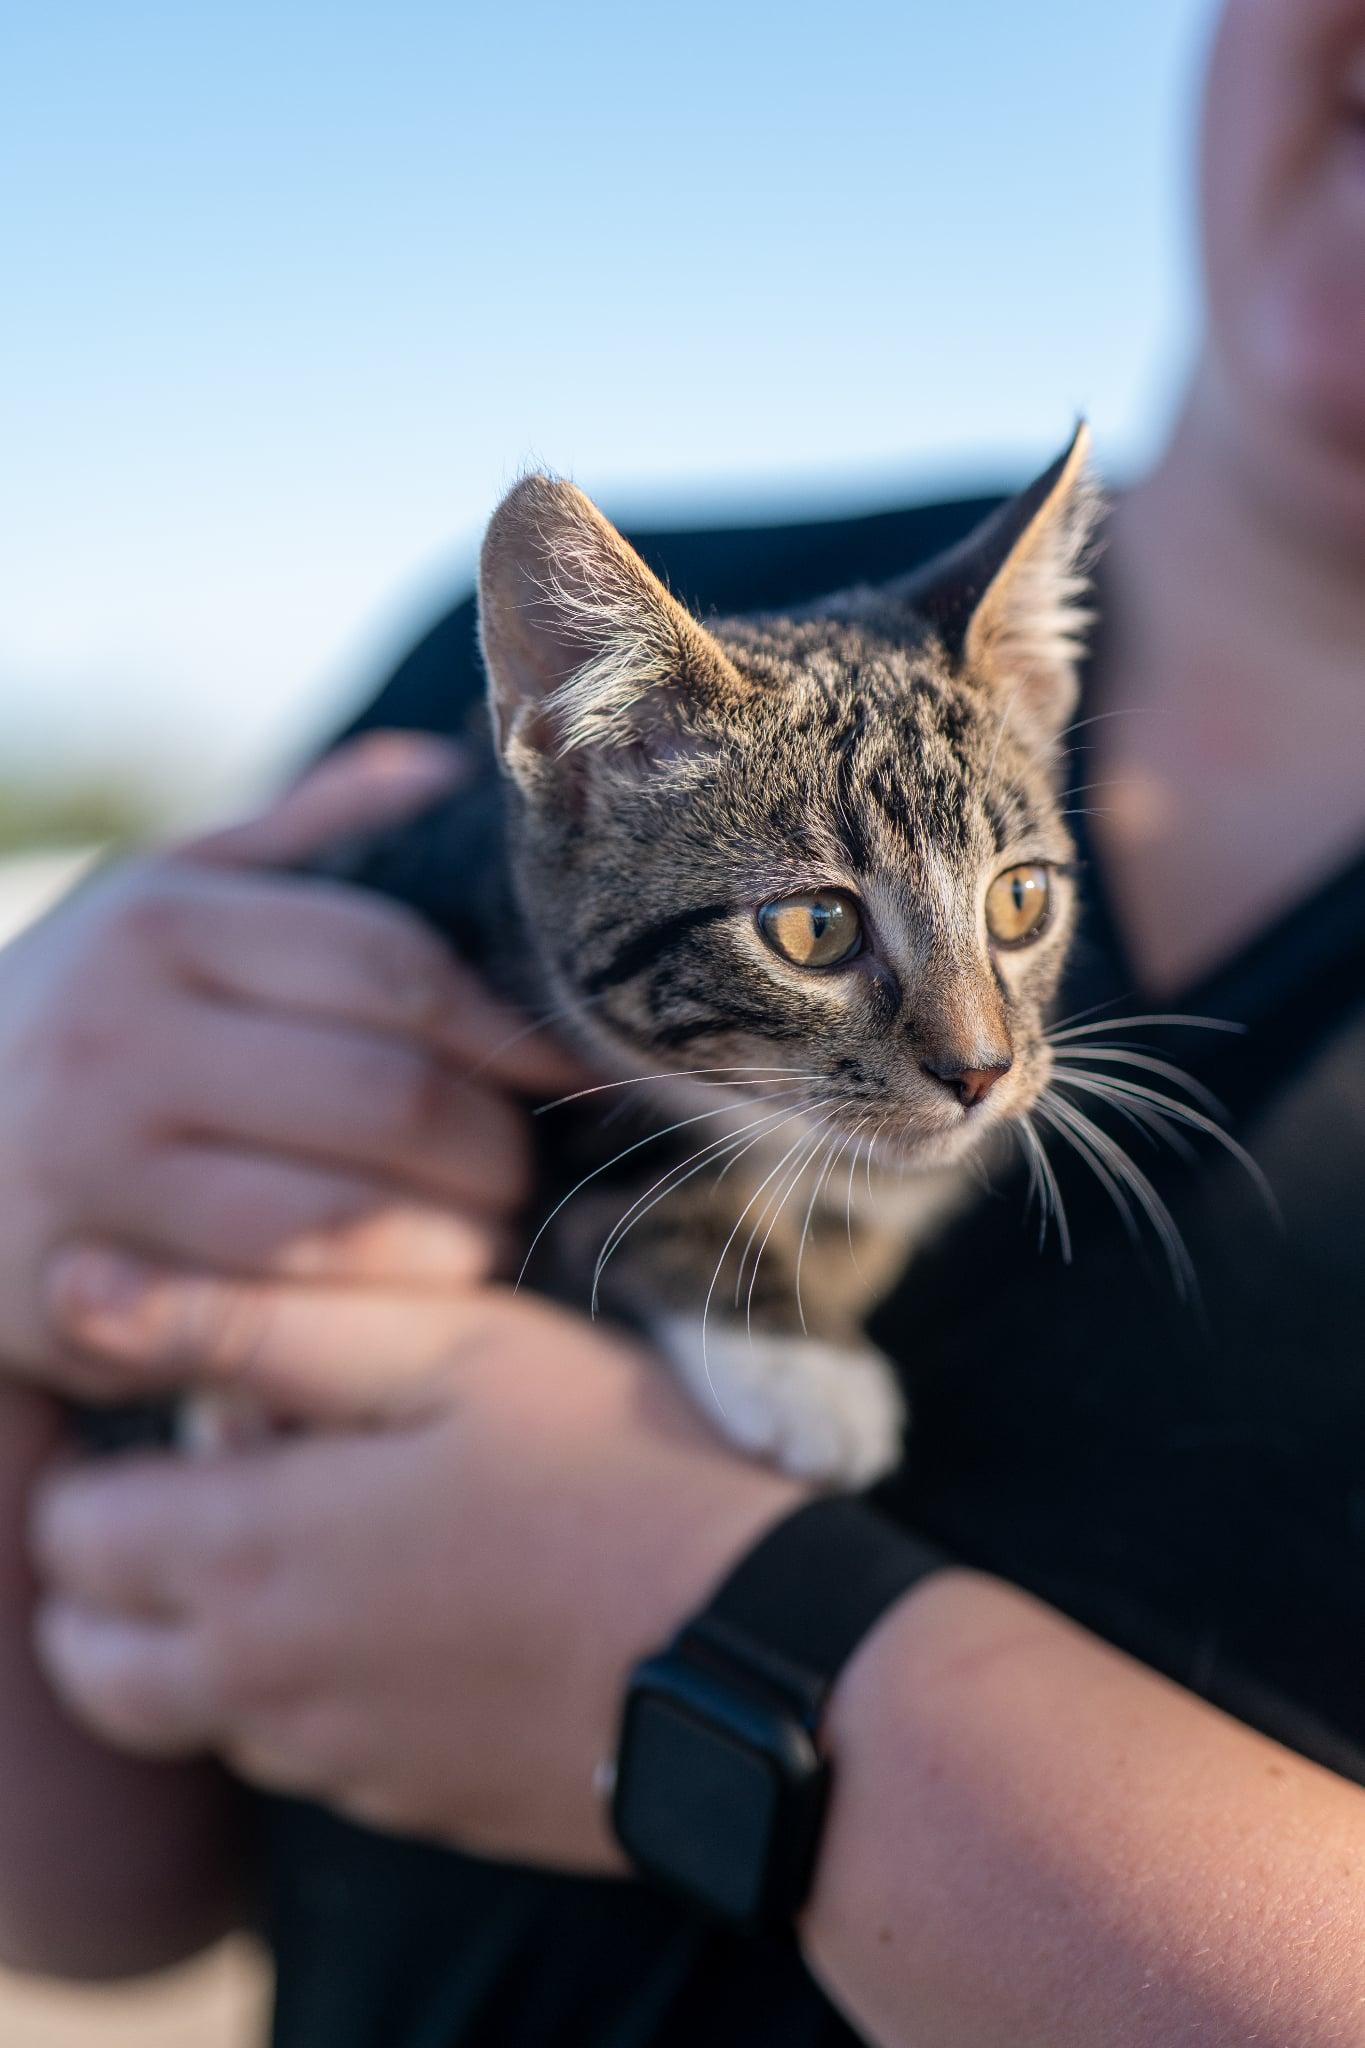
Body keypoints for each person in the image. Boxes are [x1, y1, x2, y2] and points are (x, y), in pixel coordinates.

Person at [3, 0, 1365, 2039]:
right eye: (825, 930)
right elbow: (87, 1898)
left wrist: (725, 1656)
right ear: (560, 750)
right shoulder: (463, 774)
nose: (979, 1049)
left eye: (1014, 906)